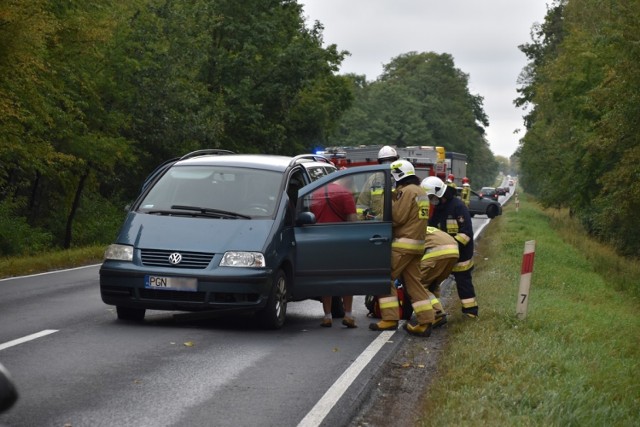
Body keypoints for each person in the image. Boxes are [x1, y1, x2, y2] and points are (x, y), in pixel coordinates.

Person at [369, 160, 435, 337]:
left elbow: (398, 217)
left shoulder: (406, 191)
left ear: (398, 175)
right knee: (414, 284)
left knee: (383, 277)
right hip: (417, 245)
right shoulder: (420, 191)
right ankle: (426, 321)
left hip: (403, 244)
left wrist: (384, 210)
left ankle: (390, 318)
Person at [422, 176, 479, 318]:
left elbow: (466, 233)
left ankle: (471, 312)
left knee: (463, 283)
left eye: (431, 196)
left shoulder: (458, 206)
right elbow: (432, 227)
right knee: (432, 281)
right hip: (443, 254)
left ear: (438, 193)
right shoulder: (439, 208)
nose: (430, 200)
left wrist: (453, 245)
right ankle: (434, 311)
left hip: (462, 254)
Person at [309, 177, 358, 328]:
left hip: (321, 241)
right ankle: (348, 315)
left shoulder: (314, 194)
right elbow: (353, 220)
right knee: (347, 278)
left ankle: (327, 316)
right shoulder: (345, 194)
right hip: (342, 241)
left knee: (326, 278)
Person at [420, 226, 460, 328]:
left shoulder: (409, 231)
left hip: (437, 252)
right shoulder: (428, 228)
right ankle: (434, 310)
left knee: (418, 285)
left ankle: (437, 312)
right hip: (454, 252)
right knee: (433, 283)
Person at [356, 145, 399, 220]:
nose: (387, 163)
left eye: (391, 160)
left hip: (397, 224)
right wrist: (360, 221)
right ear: (379, 162)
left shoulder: (400, 178)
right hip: (379, 225)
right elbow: (362, 204)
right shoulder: (373, 180)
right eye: (384, 161)